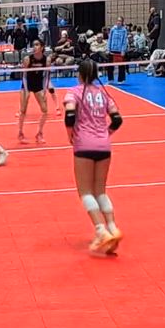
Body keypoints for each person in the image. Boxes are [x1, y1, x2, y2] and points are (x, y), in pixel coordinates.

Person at [64, 59, 124, 256]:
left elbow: (70, 115)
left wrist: (70, 135)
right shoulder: (103, 94)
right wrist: (106, 133)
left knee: (85, 192)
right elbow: (117, 119)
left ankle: (101, 231)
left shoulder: (74, 92)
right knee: (101, 191)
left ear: (80, 74)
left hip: (84, 144)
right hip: (104, 145)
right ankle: (113, 228)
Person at [18, 40, 52, 144]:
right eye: (34, 45)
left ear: (42, 47)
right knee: (23, 110)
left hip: (38, 85)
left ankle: (39, 133)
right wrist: (26, 91)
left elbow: (47, 76)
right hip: (27, 85)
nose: (34, 47)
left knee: (45, 110)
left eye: (37, 45)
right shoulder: (27, 59)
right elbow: (23, 76)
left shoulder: (47, 60)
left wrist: (45, 90)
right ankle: (20, 133)